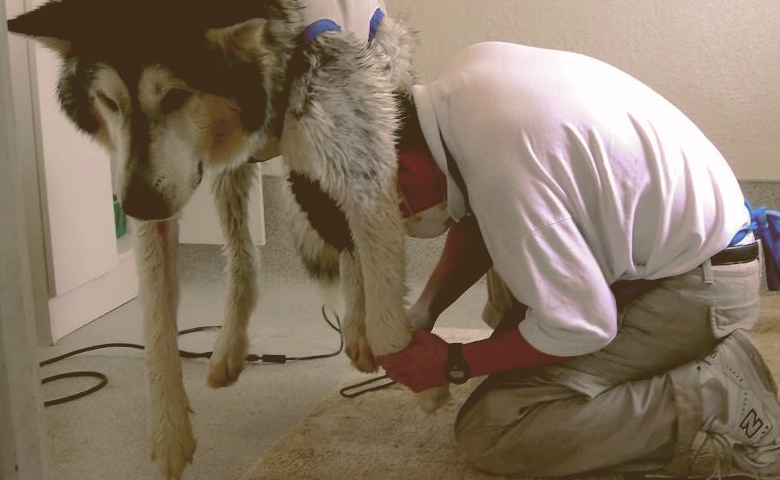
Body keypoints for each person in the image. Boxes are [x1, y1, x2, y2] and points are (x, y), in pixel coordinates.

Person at [380, 41, 780, 478]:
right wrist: (426, 310)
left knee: (493, 430)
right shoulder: (463, 87)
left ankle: (709, 391)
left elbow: (580, 326)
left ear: (405, 167)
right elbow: (479, 214)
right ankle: (675, 362)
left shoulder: (503, 175)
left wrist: (454, 363)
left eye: (396, 207)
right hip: (693, 254)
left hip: (698, 286)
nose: (404, 221)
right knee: (517, 327)